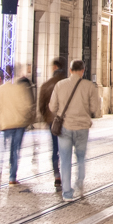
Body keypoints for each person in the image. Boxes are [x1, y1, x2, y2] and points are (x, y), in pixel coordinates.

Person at [48, 59, 101, 202]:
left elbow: (52, 107)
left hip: (65, 126)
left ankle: (67, 193)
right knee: (81, 157)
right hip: (82, 127)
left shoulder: (60, 85)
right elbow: (95, 108)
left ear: (70, 70)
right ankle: (80, 182)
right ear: (83, 71)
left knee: (65, 160)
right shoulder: (89, 86)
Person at [0, 66, 36, 185]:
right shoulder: (20, 89)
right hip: (19, 123)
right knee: (15, 150)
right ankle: (12, 177)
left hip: (6, 124)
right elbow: (26, 106)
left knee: (2, 149)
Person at [38, 58, 68, 187]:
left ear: (55, 67)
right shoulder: (69, 84)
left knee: (55, 148)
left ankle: (57, 175)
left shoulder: (46, 85)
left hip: (53, 122)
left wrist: (47, 118)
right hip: (68, 120)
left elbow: (41, 106)